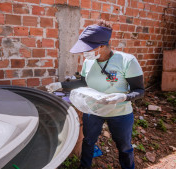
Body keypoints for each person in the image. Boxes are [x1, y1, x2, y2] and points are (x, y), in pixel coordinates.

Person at [46, 19, 144, 169]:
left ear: (102, 45)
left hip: (120, 112)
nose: (85, 53)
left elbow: (139, 90)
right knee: (88, 142)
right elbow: (83, 83)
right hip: (92, 110)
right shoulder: (89, 62)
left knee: (124, 146)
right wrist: (60, 85)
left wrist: (123, 97)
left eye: (88, 49)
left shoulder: (127, 61)